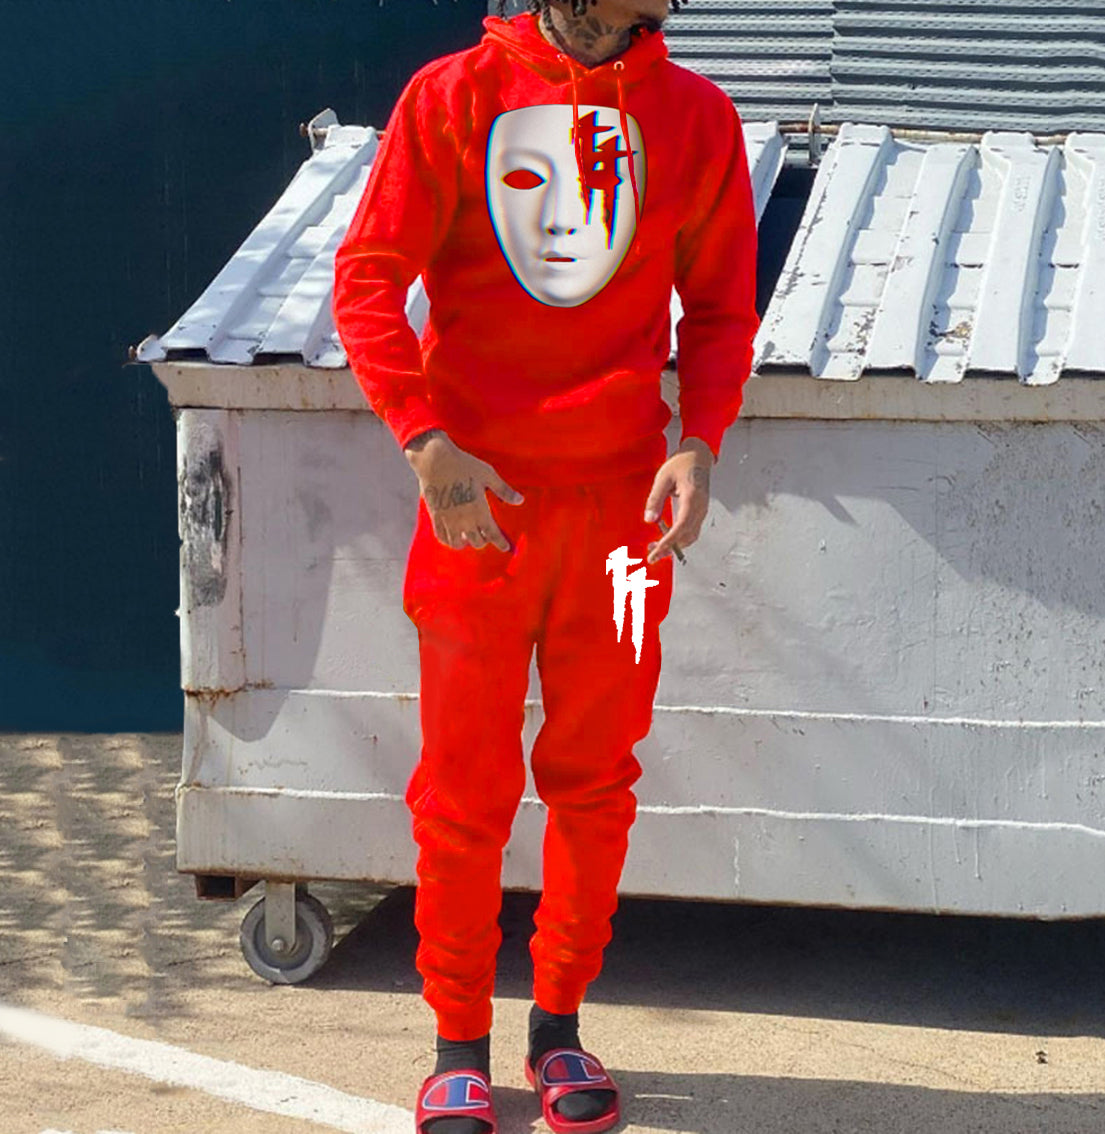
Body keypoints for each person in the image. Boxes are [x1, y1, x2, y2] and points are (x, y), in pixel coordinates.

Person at [332, 1, 758, 1131]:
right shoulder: (453, 97)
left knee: (596, 780)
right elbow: (367, 277)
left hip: (623, 527)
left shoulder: (697, 117)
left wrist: (699, 441)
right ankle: (456, 1044)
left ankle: (558, 1030)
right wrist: (426, 443)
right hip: (480, 514)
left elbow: (720, 309)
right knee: (461, 793)